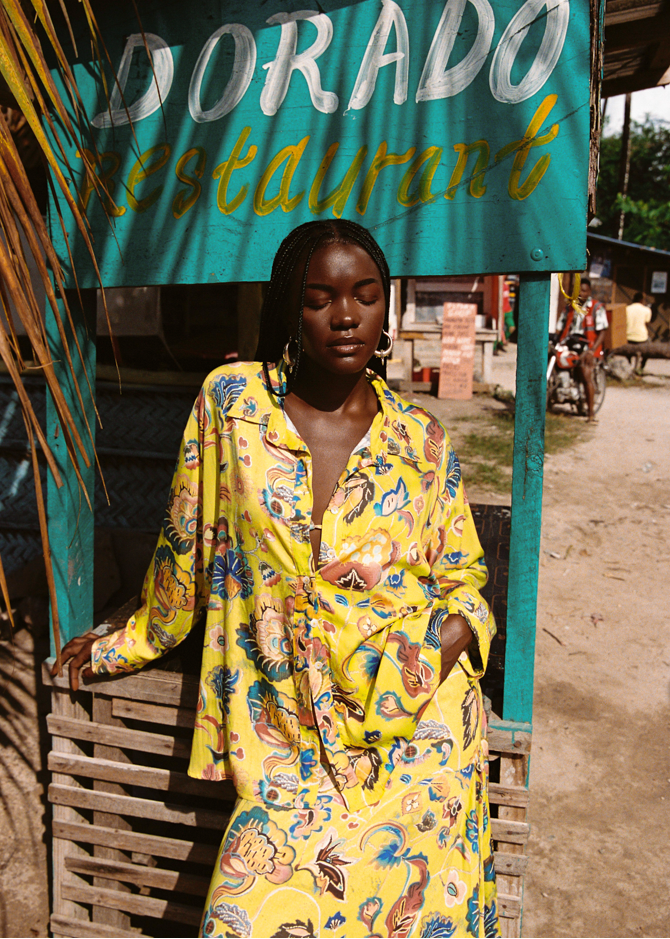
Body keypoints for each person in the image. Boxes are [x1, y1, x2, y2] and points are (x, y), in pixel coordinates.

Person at [56, 220, 500, 938]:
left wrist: (436, 651)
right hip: (284, 743)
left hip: (413, 737)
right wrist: (123, 642)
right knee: (242, 911)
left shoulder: (421, 440)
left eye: (365, 295)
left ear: (386, 309)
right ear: (290, 309)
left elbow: (466, 577)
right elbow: (186, 553)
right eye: (320, 297)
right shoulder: (232, 405)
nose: (346, 315)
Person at [554, 276, 608, 421]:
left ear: (589, 291)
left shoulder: (597, 308)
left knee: (585, 372)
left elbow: (602, 332)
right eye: (577, 291)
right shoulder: (569, 307)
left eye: (583, 291)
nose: (580, 294)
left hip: (589, 346)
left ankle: (591, 413)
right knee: (551, 359)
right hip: (570, 344)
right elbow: (560, 327)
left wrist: (592, 350)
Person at [625, 291, 652, 374]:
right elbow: (646, 324)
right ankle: (641, 366)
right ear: (641, 300)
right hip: (641, 338)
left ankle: (629, 362)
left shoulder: (627, 309)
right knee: (650, 347)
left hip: (628, 336)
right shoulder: (647, 310)